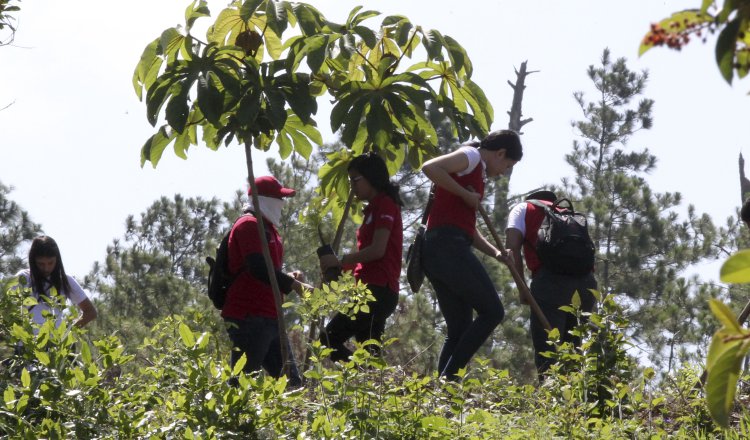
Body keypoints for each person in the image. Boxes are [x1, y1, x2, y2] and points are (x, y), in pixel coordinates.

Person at [420, 129, 523, 380]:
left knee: (459, 328)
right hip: (447, 247)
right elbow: (430, 168)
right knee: (493, 311)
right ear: (499, 153)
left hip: (442, 248)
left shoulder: (477, 171)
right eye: (507, 165)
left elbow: (467, 229)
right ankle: (450, 378)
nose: (504, 172)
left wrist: (497, 253)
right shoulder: (472, 156)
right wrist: (465, 194)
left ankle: (443, 392)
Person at [221, 176, 312, 387]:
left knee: (291, 384)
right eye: (279, 198)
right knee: (242, 384)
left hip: (270, 317)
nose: (282, 203)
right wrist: (296, 286)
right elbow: (259, 268)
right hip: (250, 317)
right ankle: (229, 420)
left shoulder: (268, 229)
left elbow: (266, 271)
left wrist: (287, 277)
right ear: (265, 199)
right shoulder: (249, 225)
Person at [319, 152, 403, 361]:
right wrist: (340, 269)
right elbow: (370, 257)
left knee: (328, 340)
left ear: (371, 177)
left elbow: (378, 250)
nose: (352, 186)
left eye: (355, 180)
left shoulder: (385, 204)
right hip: (370, 289)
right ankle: (369, 383)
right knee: (370, 354)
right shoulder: (372, 209)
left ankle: (360, 376)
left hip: (378, 290)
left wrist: (341, 260)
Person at [505, 190, 597, 378]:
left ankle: (551, 399)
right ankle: (578, 398)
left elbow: (512, 246)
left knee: (548, 349)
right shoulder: (569, 214)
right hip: (586, 284)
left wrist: (522, 287)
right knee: (575, 347)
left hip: (550, 283)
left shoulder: (523, 208)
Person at [16, 235, 97, 332]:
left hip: (55, 345)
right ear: (33, 261)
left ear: (57, 260)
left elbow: (90, 312)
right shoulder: (23, 278)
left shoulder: (65, 280)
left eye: (50, 263)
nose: (46, 268)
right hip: (25, 345)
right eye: (41, 264)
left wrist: (66, 333)